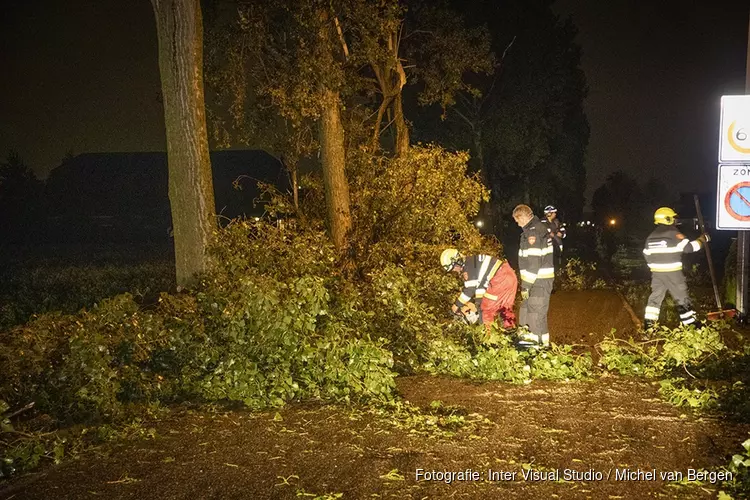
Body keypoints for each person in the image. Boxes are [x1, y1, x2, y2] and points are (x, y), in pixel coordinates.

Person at [643, 207, 708, 329]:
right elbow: (690, 248)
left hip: (657, 274)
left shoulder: (651, 237)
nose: (675, 220)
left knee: (655, 298)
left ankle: (649, 326)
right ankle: (691, 325)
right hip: (673, 273)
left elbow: (646, 254)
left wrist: (654, 267)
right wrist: (702, 239)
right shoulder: (674, 233)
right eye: (673, 218)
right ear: (667, 219)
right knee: (681, 297)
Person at [440, 248, 518, 332]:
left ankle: (488, 336)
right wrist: (478, 303)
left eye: (453, 268)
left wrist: (456, 306)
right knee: (505, 308)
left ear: (457, 261)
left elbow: (469, 290)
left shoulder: (468, 267)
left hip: (499, 279)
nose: (454, 271)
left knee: (486, 309)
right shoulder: (473, 262)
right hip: (509, 274)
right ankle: (511, 331)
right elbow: (481, 287)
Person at [512, 204, 555, 347]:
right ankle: (544, 346)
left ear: (523, 217)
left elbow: (533, 263)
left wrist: (526, 286)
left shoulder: (533, 233)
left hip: (538, 282)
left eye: (517, 220)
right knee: (539, 316)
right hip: (539, 281)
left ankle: (535, 349)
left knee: (535, 315)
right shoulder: (536, 229)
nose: (517, 224)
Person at [542, 205, 566, 273]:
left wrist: (561, 234)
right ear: (549, 213)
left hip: (557, 249)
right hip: (548, 250)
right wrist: (553, 235)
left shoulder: (556, 222)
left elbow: (563, 231)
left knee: (557, 264)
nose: (555, 214)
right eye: (553, 212)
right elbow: (546, 233)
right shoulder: (542, 223)